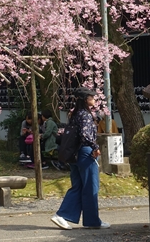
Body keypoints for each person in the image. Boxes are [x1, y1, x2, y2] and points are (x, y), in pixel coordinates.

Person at [50, 87, 111, 230]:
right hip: (86, 153)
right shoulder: (85, 115)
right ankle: (81, 218)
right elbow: (85, 135)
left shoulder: (75, 114)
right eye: (92, 97)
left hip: (75, 154)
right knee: (91, 186)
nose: (95, 99)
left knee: (78, 186)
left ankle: (78, 218)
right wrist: (95, 146)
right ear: (86, 99)